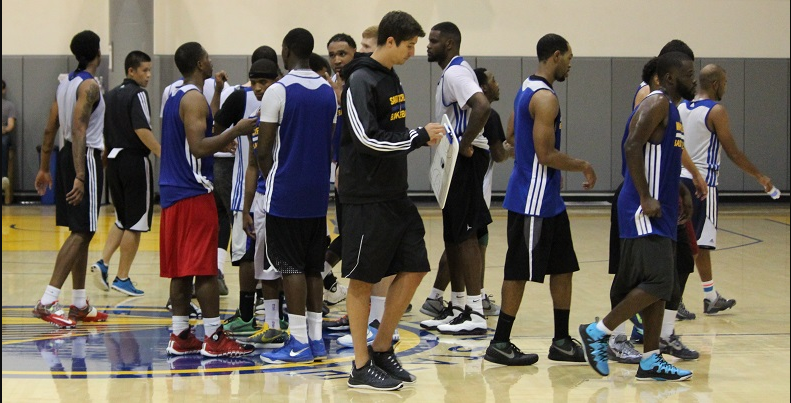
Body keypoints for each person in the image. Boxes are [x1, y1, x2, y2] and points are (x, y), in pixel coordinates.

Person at [340, 11, 445, 390]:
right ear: (390, 42)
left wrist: (413, 137)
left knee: (415, 266)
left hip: (393, 194)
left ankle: (382, 347)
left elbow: (388, 131)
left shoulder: (389, 77)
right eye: (410, 44)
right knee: (362, 280)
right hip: (364, 197)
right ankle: (360, 364)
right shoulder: (359, 79)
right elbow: (367, 139)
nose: (414, 52)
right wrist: (418, 136)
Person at [579, 51, 697, 382]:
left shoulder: (672, 111)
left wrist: (681, 191)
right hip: (643, 209)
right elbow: (632, 146)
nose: (695, 79)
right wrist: (645, 196)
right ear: (671, 77)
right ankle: (598, 331)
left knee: (658, 287)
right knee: (662, 281)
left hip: (662, 207)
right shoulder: (657, 102)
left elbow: (660, 160)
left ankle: (650, 359)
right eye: (689, 73)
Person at [483, 33, 596, 366]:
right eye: (570, 58)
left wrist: (527, 161)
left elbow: (513, 137)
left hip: (547, 199)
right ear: (556, 56)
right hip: (533, 200)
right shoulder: (546, 98)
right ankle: (500, 342)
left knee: (563, 267)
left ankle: (561, 340)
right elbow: (545, 154)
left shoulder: (526, 88)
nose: (571, 64)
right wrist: (582, 165)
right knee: (518, 270)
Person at [160, 41, 255, 358]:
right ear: (201, 62)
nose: (211, 59)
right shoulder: (194, 98)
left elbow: (194, 142)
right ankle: (214, 337)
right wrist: (235, 131)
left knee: (181, 268)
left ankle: (180, 334)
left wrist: (219, 142)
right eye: (208, 56)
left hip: (173, 190)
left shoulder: (174, 94)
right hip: (193, 190)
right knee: (204, 269)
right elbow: (199, 146)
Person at [257, 28, 337, 365]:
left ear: (287, 51)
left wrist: (270, 175)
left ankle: (299, 341)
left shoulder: (278, 90)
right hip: (317, 192)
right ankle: (316, 339)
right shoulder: (328, 92)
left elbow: (263, 150)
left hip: (286, 191)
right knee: (313, 268)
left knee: (289, 266)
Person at [680, 63, 775, 315]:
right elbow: (732, 151)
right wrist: (759, 175)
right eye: (725, 82)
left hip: (679, 181)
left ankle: (708, 296)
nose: (726, 87)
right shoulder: (716, 110)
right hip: (703, 184)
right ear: (715, 84)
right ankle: (677, 298)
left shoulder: (681, 106)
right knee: (698, 243)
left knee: (690, 242)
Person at [420, 67, 509, 319]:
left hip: (471, 187)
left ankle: (456, 300)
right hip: (474, 189)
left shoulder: (472, 115)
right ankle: (469, 302)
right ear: (480, 86)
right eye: (492, 79)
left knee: (461, 242)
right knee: (469, 245)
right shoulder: (488, 116)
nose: (497, 83)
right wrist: (513, 148)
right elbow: (500, 155)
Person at [32, 30, 108, 328]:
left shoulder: (64, 85)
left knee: (83, 230)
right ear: (97, 53)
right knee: (80, 232)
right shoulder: (89, 85)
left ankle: (78, 303)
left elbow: (50, 128)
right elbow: (78, 129)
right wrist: (80, 174)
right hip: (83, 157)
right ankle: (48, 299)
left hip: (65, 155)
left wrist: (43, 167)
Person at [420, 21, 492, 336]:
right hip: (455, 161)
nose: (427, 45)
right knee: (453, 235)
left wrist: (463, 144)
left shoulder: (456, 72)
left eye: (433, 41)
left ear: (449, 43)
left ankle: (475, 311)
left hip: (467, 159)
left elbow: (482, 105)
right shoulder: (449, 72)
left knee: (465, 235)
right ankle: (460, 305)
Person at [215, 57, 281, 338]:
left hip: (266, 189)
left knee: (265, 257)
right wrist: (229, 137)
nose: (257, 87)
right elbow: (217, 126)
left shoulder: (278, 99)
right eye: (253, 81)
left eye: (262, 82)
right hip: (250, 186)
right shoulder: (243, 97)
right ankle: (252, 314)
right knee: (251, 254)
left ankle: (262, 316)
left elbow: (217, 126)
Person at [90, 51, 158, 297]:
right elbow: (141, 129)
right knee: (136, 223)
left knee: (122, 218)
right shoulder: (138, 94)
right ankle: (123, 277)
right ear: (131, 71)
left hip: (113, 161)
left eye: (150, 70)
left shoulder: (109, 95)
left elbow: (104, 130)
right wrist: (162, 153)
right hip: (133, 160)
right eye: (144, 71)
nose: (148, 76)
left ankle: (103, 262)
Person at [322, 33, 357, 307]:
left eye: (342, 53)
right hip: (335, 169)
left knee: (353, 236)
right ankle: (321, 277)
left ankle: (322, 276)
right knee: (348, 235)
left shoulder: (360, 83)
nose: (337, 60)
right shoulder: (326, 89)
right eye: (332, 54)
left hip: (358, 169)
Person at [2, 79, 17, 190]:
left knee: (4, 142)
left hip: (3, 134)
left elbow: (11, 125)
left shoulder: (9, 105)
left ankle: (3, 176)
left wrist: (4, 129)